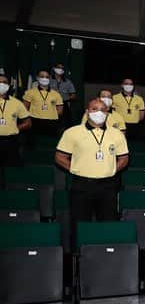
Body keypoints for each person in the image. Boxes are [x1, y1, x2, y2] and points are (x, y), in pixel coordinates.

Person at [55, 98, 129, 242]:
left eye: (103, 109)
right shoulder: (72, 132)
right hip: (82, 185)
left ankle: (106, 253)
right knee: (79, 224)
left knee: (109, 223)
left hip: (108, 186)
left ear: (107, 113)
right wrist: (75, 170)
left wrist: (112, 171)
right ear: (87, 112)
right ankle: (78, 256)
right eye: (94, 109)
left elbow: (124, 158)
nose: (99, 112)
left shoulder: (117, 134)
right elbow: (60, 157)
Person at [0, 74, 31, 169]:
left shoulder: (17, 103)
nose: (1, 84)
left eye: (4, 82)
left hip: (11, 141)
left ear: (9, 85)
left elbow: (28, 123)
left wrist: (14, 128)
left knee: (11, 170)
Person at [23, 70, 64, 138]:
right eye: (42, 76)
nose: (44, 79)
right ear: (37, 78)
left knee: (50, 144)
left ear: (50, 78)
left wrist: (50, 115)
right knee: (33, 145)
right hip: (34, 122)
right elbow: (24, 108)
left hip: (51, 123)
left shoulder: (56, 94)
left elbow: (60, 111)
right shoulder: (29, 92)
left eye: (47, 77)